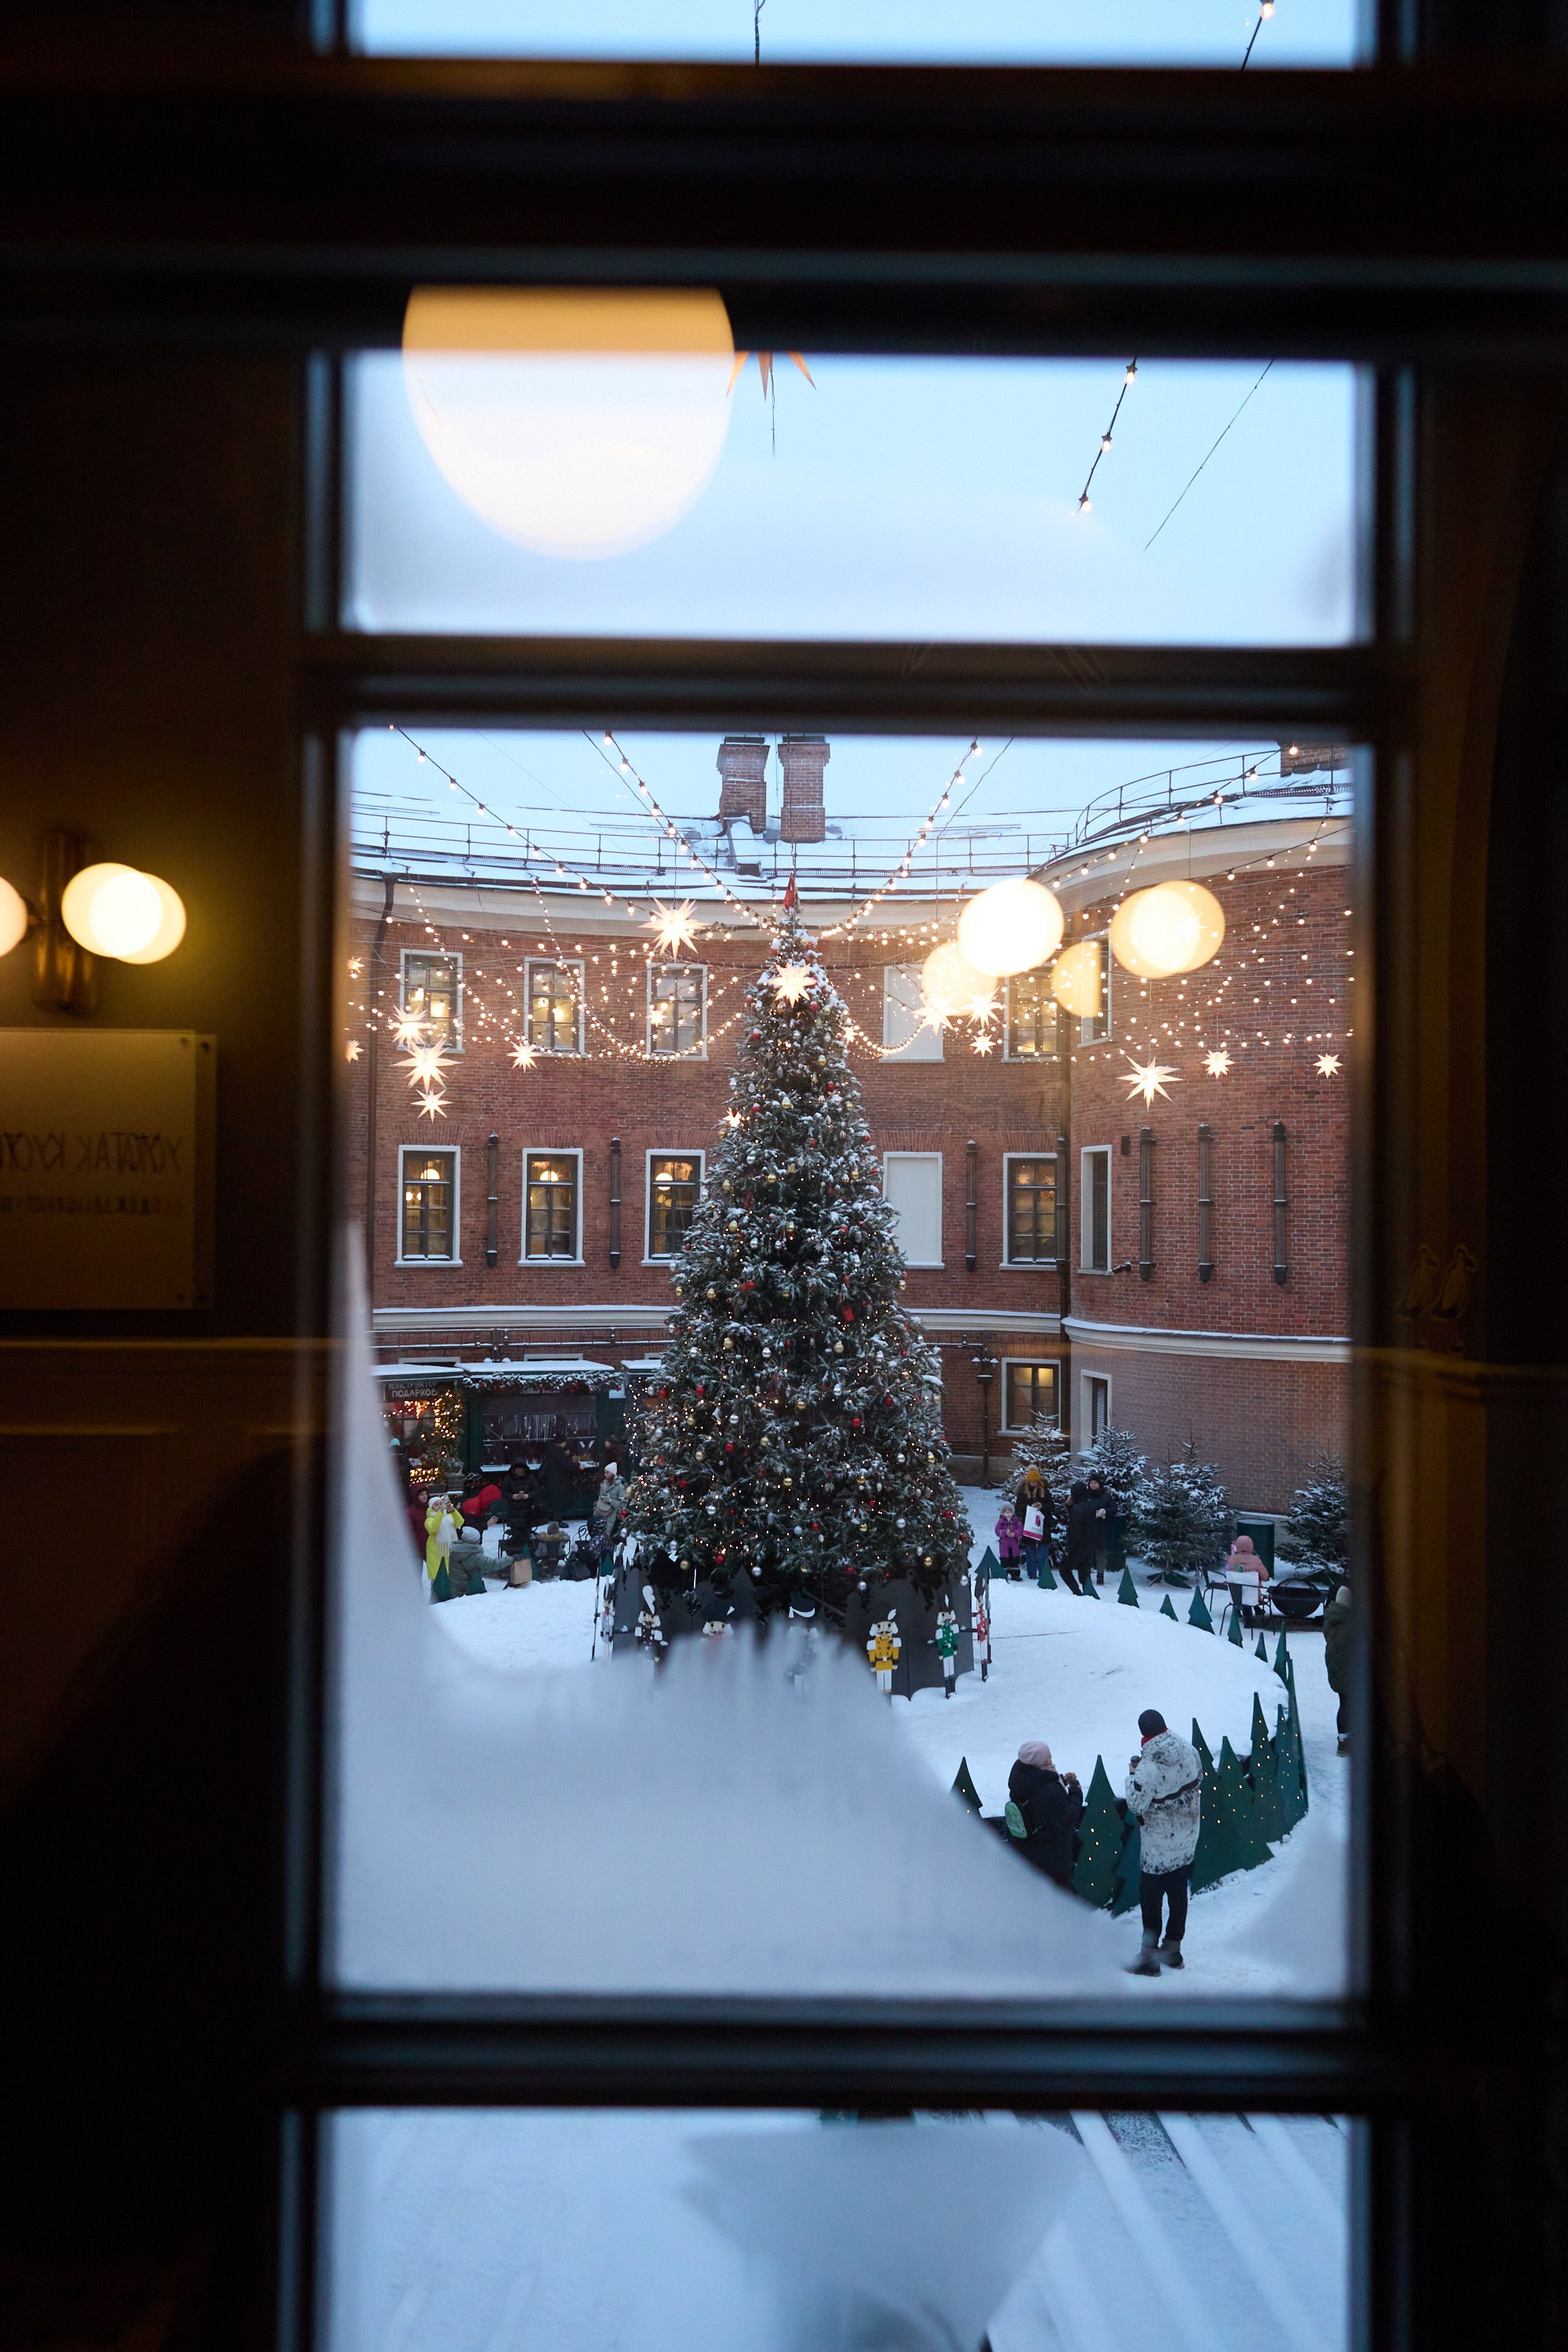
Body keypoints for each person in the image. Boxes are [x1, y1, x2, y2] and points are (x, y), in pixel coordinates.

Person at [1124, 1708, 1203, 1974]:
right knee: (1179, 1894)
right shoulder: (1188, 1749)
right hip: (1187, 1838)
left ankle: (1148, 1958)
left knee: (1151, 1900)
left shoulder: (1148, 1768)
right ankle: (1173, 1950)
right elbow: (1199, 1778)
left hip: (1158, 1848)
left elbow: (1136, 1805)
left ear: (1143, 1735)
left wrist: (1131, 1776)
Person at [1004, 1740, 1084, 1889]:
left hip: (1027, 1853)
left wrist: (1061, 1781)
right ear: (1040, 1762)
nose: (1051, 1761)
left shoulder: (1019, 1779)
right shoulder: (1050, 1790)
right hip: (1051, 1857)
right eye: (1048, 1758)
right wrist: (1076, 1792)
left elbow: (1039, 1796)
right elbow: (1067, 1817)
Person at [1323, 1580, 1352, 1747]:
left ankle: (1343, 1740)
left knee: (1344, 1704)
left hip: (1334, 1666)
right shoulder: (1351, 1622)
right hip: (1350, 1668)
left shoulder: (1331, 1617)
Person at [1014, 1465, 1054, 1579]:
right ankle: (1032, 1574)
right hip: (1028, 1525)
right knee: (1030, 1549)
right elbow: (1018, 1507)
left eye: (1034, 1481)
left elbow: (1051, 1506)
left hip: (1043, 1524)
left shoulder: (1044, 1491)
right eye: (1031, 1480)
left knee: (1043, 1550)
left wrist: (1042, 1506)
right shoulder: (1023, 1493)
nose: (1032, 1483)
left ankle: (1043, 1573)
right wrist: (1028, 1508)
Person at [1061, 1480, 1098, 1597]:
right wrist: (1070, 1506)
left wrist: (1068, 1549)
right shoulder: (1090, 1506)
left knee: (1064, 1570)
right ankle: (1091, 1597)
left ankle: (1077, 1594)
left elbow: (1074, 1531)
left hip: (1078, 1547)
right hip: (1090, 1547)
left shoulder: (1077, 1510)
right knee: (1085, 1576)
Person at [1083, 1472, 1116, 1584]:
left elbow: (1114, 1509)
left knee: (1101, 1552)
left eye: (1095, 1483)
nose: (1093, 1485)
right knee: (1087, 1551)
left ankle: (1100, 1575)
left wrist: (1105, 1511)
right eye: (1091, 1483)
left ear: (1100, 1484)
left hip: (1101, 1528)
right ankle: (1086, 1574)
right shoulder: (1085, 1495)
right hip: (1087, 1528)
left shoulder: (1106, 1496)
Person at [1225, 1531, 1263, 1623]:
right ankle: (1256, 1610)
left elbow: (1227, 1572)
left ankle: (1238, 1609)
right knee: (1252, 1589)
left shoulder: (1232, 1559)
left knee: (1240, 1588)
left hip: (1236, 1595)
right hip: (1252, 1596)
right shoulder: (1256, 1560)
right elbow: (1265, 1576)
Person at [593, 1461, 627, 1542]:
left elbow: (623, 1504)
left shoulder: (619, 1486)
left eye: (607, 1473)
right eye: (605, 1473)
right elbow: (600, 1497)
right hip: (600, 1511)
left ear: (612, 1473)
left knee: (607, 1537)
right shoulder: (603, 1484)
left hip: (612, 1514)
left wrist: (611, 1501)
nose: (605, 1475)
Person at [993, 1500, 1024, 1577]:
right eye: (1005, 1510)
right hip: (1004, 1544)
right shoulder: (1001, 1521)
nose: (1007, 1512)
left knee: (1014, 1559)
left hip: (1014, 1543)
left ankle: (1015, 1574)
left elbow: (1020, 1529)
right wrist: (1004, 1533)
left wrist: (1015, 1534)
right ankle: (1004, 1574)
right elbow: (997, 1530)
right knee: (1005, 1560)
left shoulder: (1015, 1520)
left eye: (1009, 1510)